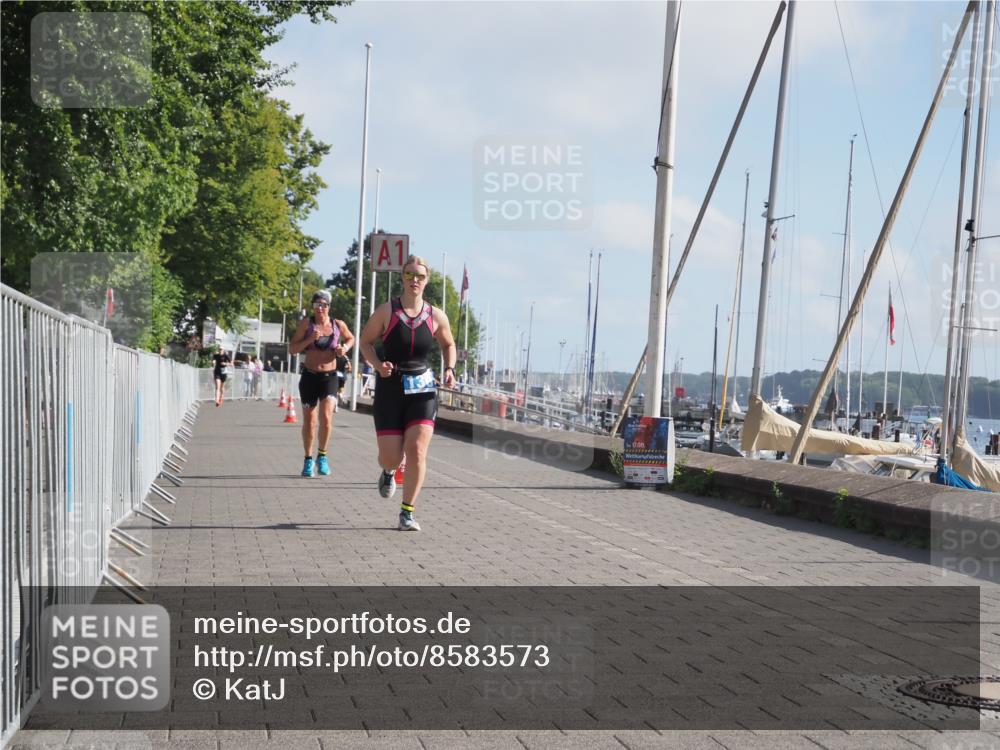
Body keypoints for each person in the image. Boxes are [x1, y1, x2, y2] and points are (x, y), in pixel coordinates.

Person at [359, 255, 457, 531]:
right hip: (391, 387)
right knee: (390, 456)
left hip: (423, 390)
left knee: (416, 451)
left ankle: (407, 512)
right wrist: (378, 366)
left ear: (427, 281)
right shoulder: (386, 311)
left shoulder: (436, 315)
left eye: (420, 276)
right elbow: (366, 342)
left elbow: (449, 345)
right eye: (410, 275)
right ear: (402, 277)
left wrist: (449, 368)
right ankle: (389, 470)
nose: (415, 280)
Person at [288, 290, 355, 477]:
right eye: (317, 305)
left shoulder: (337, 325)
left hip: (329, 377)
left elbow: (351, 338)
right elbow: (292, 348)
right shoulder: (306, 324)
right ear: (313, 307)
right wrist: (309, 339)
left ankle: (322, 456)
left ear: (329, 307)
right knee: (310, 422)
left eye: (324, 305)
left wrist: (344, 348)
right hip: (309, 376)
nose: (320, 308)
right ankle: (308, 459)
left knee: (326, 417)